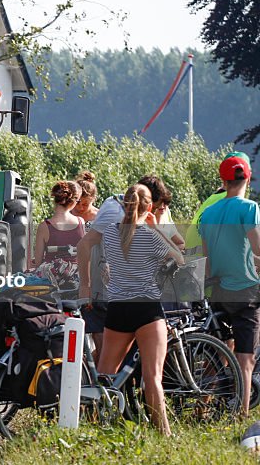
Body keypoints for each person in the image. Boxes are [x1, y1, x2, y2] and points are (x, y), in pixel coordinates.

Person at [98, 183, 182, 436]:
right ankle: (164, 434)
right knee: (152, 378)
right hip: (146, 310)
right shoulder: (150, 235)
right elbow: (179, 259)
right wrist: (157, 228)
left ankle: (95, 425)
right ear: (150, 208)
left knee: (104, 375)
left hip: (118, 308)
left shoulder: (111, 233)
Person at [77, 174, 172, 362]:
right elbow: (84, 245)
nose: (161, 211)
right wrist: (85, 286)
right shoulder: (116, 212)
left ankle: (100, 386)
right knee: (108, 359)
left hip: (119, 291)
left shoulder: (122, 205)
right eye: (159, 206)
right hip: (105, 291)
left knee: (113, 362)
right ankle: (91, 387)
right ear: (148, 203)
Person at [199, 155, 260, 415]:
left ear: (223, 181)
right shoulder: (249, 208)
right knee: (246, 358)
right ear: (247, 178)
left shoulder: (208, 213)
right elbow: (258, 247)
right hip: (246, 290)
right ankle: (242, 413)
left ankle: (204, 402)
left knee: (219, 350)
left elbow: (207, 262)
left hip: (219, 291)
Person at [31, 181, 85, 289]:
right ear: (73, 202)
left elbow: (38, 263)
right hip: (75, 277)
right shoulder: (81, 222)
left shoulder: (44, 226)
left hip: (52, 279)